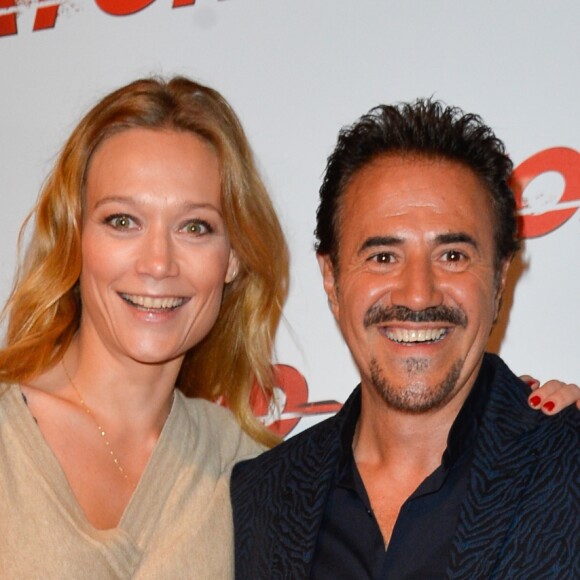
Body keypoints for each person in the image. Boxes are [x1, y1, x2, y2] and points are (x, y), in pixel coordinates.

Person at [231, 99, 580, 579]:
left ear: (500, 279)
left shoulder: (568, 464)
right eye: (382, 257)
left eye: (453, 256)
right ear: (331, 280)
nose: (418, 294)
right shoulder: (257, 498)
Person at [0, 76, 289, 577]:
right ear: (76, 238)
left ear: (234, 259)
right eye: (122, 221)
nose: (158, 263)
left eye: (194, 227)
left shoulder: (246, 468)